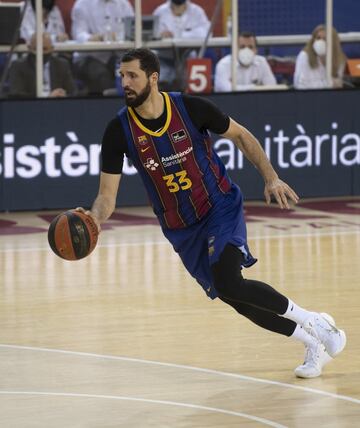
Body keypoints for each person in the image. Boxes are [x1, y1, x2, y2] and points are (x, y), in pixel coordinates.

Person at [79, 48, 346, 379]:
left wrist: (271, 176)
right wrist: (93, 217)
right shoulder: (118, 130)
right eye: (122, 76)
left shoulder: (189, 107)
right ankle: (313, 342)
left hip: (218, 206)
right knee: (235, 297)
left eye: (131, 75)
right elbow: (107, 197)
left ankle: (312, 319)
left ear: (153, 78)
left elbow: (241, 136)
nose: (125, 83)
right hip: (181, 228)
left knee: (229, 279)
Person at [71, 0, 134, 95]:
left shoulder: (123, 4)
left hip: (116, 55)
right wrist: (91, 38)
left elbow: (133, 29)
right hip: (87, 57)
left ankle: (130, 106)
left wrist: (121, 36)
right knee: (101, 75)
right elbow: (78, 34)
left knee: (131, 70)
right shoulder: (82, 4)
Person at [153, 0, 210, 89]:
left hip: (188, 60)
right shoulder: (160, 11)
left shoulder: (197, 11)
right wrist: (161, 35)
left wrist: (178, 34)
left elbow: (206, 33)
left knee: (190, 89)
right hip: (164, 60)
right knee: (157, 85)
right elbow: (154, 34)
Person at [8, 32, 76, 98]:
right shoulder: (18, 66)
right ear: (29, 48)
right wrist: (48, 97)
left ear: (52, 49)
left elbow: (73, 92)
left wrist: (63, 95)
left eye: (44, 49)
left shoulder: (62, 65)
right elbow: (16, 95)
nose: (41, 52)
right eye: (36, 49)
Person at [294, 24, 347, 89]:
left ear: (333, 42)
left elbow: (338, 85)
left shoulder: (339, 59)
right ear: (313, 40)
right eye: (318, 38)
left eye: (325, 39)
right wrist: (329, 83)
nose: (320, 42)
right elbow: (300, 85)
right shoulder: (304, 56)